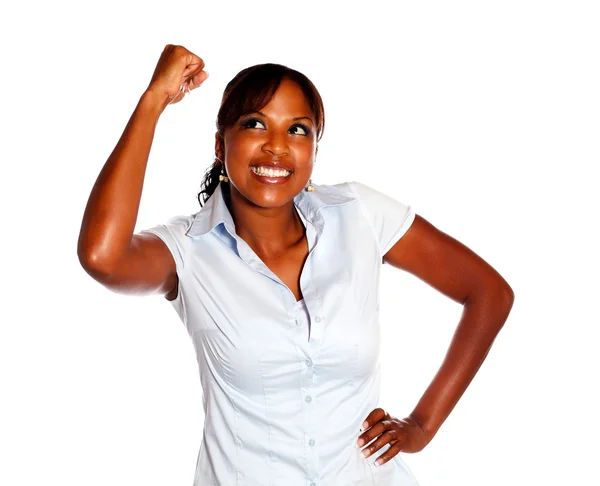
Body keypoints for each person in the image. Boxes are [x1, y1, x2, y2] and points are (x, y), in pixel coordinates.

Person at [77, 44, 514, 486]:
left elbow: (488, 293)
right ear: (219, 143)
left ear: (315, 149)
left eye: (298, 130)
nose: (276, 147)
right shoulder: (188, 249)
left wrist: (422, 425)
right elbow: (102, 257)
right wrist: (155, 99)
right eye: (255, 124)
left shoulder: (358, 214)